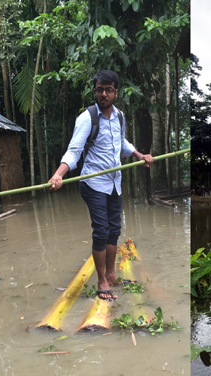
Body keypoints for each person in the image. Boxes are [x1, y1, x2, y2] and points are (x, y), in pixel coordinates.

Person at [48, 70, 154, 301]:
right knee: (102, 231)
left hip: (115, 183)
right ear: (95, 91)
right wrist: (58, 175)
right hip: (93, 183)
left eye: (108, 90)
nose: (103, 94)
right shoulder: (87, 118)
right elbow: (74, 150)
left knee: (114, 231)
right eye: (99, 89)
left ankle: (112, 274)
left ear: (116, 92)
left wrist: (138, 154)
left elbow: (121, 143)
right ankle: (102, 282)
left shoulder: (120, 117)